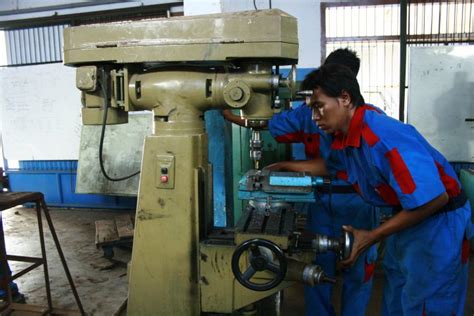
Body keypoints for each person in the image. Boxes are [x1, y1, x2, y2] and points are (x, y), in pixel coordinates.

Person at [305, 63, 471, 315]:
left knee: (429, 302)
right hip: (405, 215)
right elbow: (330, 166)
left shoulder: (383, 137)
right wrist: (282, 167)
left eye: (319, 107)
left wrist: (372, 236)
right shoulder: (347, 135)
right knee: (398, 298)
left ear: (345, 98)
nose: (314, 117)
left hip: (438, 224)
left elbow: (435, 198)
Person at [224, 49, 379, 316]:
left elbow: (329, 162)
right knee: (353, 269)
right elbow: (268, 123)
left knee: (318, 265)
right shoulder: (367, 115)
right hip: (353, 200)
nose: (319, 118)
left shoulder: (323, 114)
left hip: (338, 198)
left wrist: (228, 111)